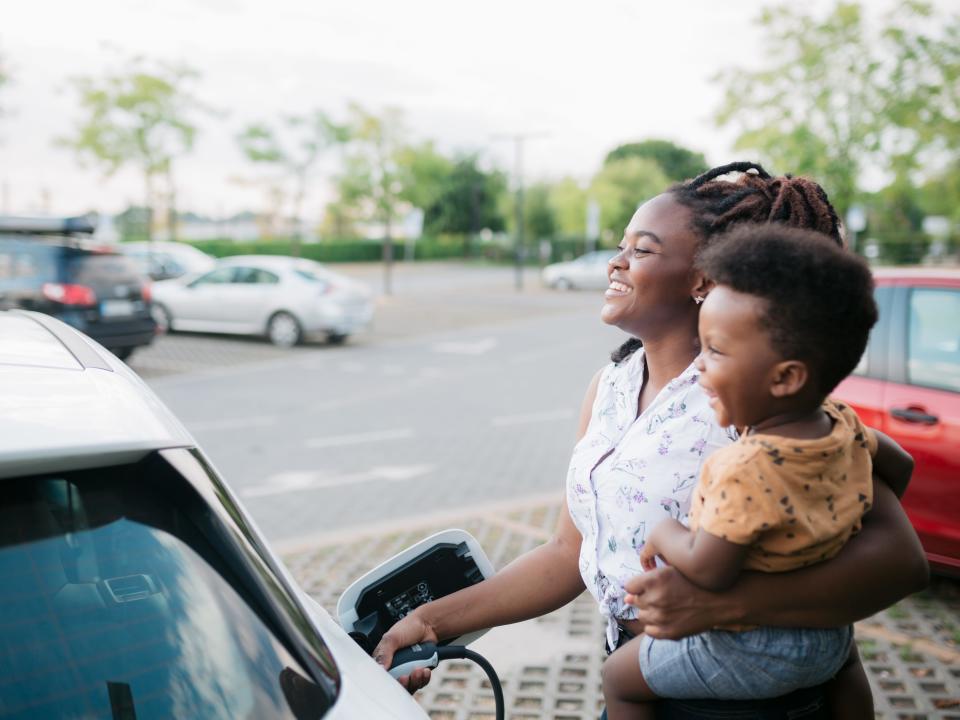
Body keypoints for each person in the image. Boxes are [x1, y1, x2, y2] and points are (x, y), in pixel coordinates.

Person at [372, 162, 929, 717]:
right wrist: (430, 622)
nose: (615, 263)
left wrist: (720, 606)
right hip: (645, 679)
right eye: (621, 245)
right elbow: (570, 554)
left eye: (641, 250)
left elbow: (900, 561)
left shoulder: (752, 402)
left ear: (704, 280)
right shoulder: (610, 386)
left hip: (743, 700)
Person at [600, 224, 914, 719]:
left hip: (747, 649)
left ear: (786, 377)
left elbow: (709, 569)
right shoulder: (842, 426)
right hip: (829, 641)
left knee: (618, 677)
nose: (700, 366)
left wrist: (664, 532)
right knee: (850, 670)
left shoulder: (744, 466)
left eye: (716, 352)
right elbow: (902, 466)